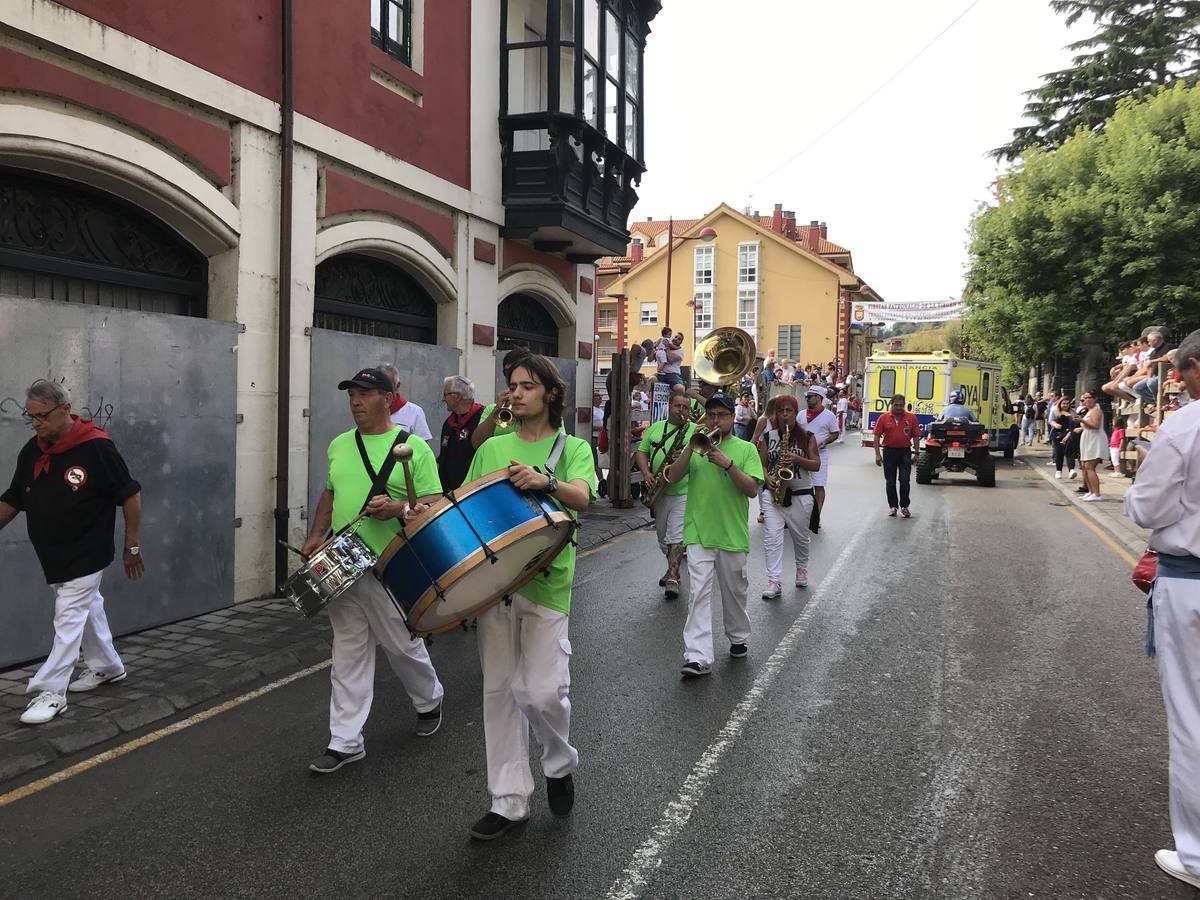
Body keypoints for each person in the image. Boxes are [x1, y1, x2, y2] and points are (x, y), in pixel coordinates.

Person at [461, 354, 596, 840]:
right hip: (494, 586)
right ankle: (508, 799)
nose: (515, 393)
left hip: (547, 582)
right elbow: (464, 508)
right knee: (498, 691)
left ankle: (559, 763)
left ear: (551, 394)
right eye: (512, 386)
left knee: (541, 691)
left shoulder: (574, 447)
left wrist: (547, 482)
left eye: (527, 386)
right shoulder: (493, 447)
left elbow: (582, 497)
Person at [300, 367, 445, 775]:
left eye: (364, 394)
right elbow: (330, 492)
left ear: (388, 398)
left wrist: (398, 508)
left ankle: (429, 699)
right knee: (346, 652)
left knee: (401, 645)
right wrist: (315, 535)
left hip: (391, 563)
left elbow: (434, 504)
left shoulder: (412, 447)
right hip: (343, 562)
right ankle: (345, 741)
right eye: (351, 395)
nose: (355, 401)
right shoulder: (339, 445)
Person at [0, 379, 143, 725]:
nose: (36, 423)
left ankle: (52, 692)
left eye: (42, 416)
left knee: (68, 616)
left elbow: (130, 496)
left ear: (65, 409)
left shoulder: (97, 448)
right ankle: (108, 666)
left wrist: (132, 546)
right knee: (87, 608)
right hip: (54, 555)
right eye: (30, 417)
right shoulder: (33, 451)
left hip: (87, 550)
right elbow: (14, 498)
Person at [1124, 330, 1200, 892]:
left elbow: (1148, 507)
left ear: (1194, 368)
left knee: (1192, 720)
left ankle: (1196, 856)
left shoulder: (1184, 426)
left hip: (1191, 583)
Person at [665, 393, 764, 676]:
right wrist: (689, 447)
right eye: (710, 415)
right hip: (698, 531)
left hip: (731, 533)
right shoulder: (696, 446)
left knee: (735, 591)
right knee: (698, 594)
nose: (715, 420)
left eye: (721, 415)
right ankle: (697, 656)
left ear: (733, 417)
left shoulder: (746, 449)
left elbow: (751, 489)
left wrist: (727, 464)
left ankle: (737, 635)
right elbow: (672, 477)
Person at [758, 396, 820, 598]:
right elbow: (762, 464)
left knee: (800, 538)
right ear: (775, 414)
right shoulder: (770, 437)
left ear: (795, 413)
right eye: (780, 411)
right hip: (773, 495)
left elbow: (816, 464)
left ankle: (801, 569)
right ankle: (774, 580)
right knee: (772, 538)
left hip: (801, 495)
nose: (784, 414)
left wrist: (797, 458)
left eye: (789, 411)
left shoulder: (808, 436)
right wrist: (767, 479)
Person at [635, 392, 695, 600]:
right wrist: (646, 473)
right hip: (659, 491)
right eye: (677, 406)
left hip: (684, 491)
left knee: (676, 535)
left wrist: (688, 456)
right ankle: (673, 568)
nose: (681, 410)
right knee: (663, 539)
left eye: (685, 407)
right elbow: (641, 452)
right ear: (670, 407)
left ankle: (672, 577)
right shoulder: (655, 428)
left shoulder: (694, 431)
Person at [872, 393, 921, 518]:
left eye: (901, 405)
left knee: (904, 480)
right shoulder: (883, 418)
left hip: (905, 452)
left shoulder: (911, 418)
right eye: (896, 405)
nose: (899, 408)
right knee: (890, 481)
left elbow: (916, 436)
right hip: (889, 452)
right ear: (891, 405)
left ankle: (904, 506)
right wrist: (877, 455)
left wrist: (916, 453)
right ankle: (893, 506)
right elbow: (876, 436)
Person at [803, 386, 840, 534]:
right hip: (802, 455)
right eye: (807, 397)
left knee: (818, 485)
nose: (807, 399)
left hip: (820, 455)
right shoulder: (800, 414)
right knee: (801, 485)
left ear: (818, 398)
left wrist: (826, 441)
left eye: (810, 397)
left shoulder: (829, 416)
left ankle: (815, 517)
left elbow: (835, 433)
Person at [437, 375, 485, 491]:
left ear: (457, 396)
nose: (443, 399)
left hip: (473, 491)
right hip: (448, 494)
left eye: (446, 394)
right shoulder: (448, 424)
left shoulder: (482, 418)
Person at [379, 363, 433, 441]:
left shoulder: (414, 412)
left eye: (387, 384)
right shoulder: (369, 410)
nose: (382, 389)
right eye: (378, 385)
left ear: (397, 386)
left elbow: (423, 446)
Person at [1074, 391, 1108, 501]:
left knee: (1090, 467)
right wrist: (1081, 426)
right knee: (1084, 466)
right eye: (1084, 399)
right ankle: (1091, 491)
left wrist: (1082, 420)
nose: (1086, 401)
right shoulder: (1089, 411)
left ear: (1094, 399)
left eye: (1088, 398)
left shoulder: (1096, 410)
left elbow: (1096, 425)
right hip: (1088, 438)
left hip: (1095, 440)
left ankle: (1097, 494)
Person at [1049, 396, 1077, 480]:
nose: (1065, 405)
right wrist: (1055, 424)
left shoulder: (1073, 413)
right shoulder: (1055, 412)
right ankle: (1058, 471)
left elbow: (1074, 426)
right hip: (1057, 434)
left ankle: (1071, 470)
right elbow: (1051, 421)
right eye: (1064, 403)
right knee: (1059, 453)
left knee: (1069, 453)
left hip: (1069, 434)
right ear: (1060, 404)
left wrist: (1068, 435)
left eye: (1067, 403)